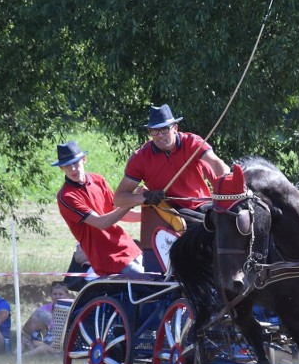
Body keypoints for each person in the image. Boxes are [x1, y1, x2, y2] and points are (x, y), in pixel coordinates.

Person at [113, 104, 230, 271]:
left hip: (203, 204)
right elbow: (119, 198)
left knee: (230, 220)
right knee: (203, 227)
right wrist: (146, 197)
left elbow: (217, 164)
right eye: (155, 131)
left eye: (165, 129)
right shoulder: (141, 158)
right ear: (149, 133)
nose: (160, 135)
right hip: (172, 209)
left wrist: (226, 182)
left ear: (175, 128)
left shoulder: (192, 142)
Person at [54, 140, 145, 277]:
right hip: (108, 258)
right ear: (61, 168)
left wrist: (148, 215)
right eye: (67, 165)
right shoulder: (66, 197)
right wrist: (134, 200)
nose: (73, 169)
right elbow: (101, 223)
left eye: (75, 163)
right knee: (149, 281)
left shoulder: (98, 180)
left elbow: (120, 212)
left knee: (160, 277)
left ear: (83, 159)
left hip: (128, 246)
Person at [20, 281, 72, 355]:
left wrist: (43, 344)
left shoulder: (71, 310)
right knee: (23, 340)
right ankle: (14, 355)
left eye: (60, 294)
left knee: (41, 348)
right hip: (41, 339)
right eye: (54, 294)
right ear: (50, 295)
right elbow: (27, 328)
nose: (57, 297)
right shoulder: (43, 309)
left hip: (58, 346)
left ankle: (23, 357)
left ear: (67, 295)